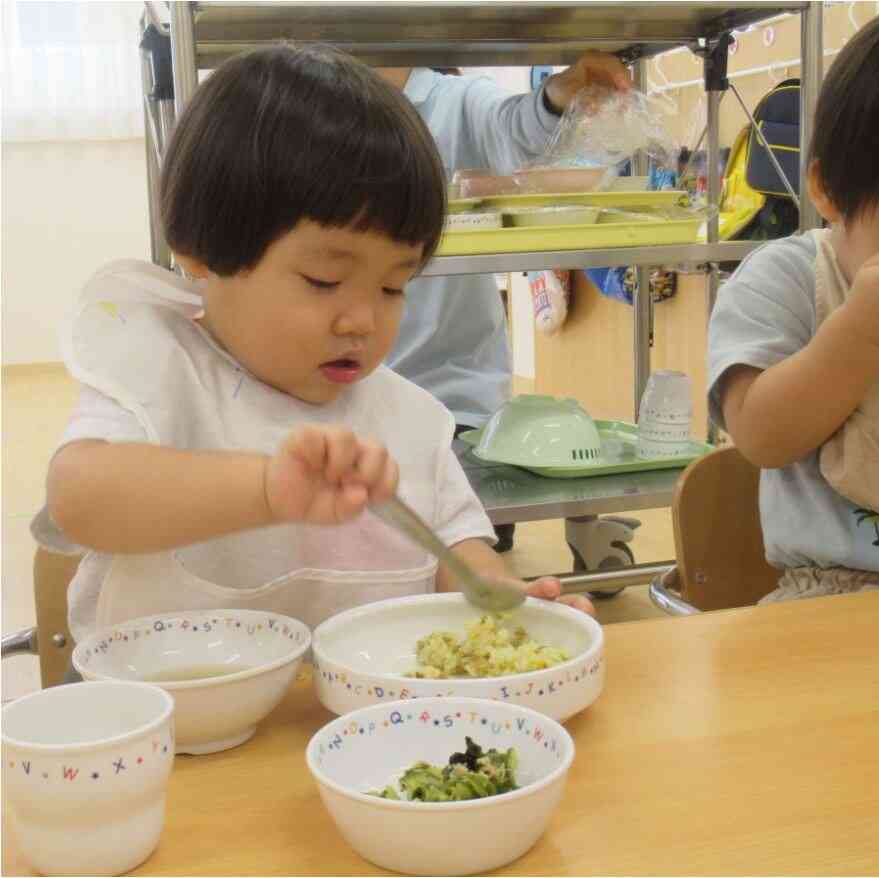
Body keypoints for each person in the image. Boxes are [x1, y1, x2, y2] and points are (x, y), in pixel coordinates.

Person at [31, 44, 594, 651]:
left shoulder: (405, 415)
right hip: (171, 722)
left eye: (392, 286)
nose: (362, 320)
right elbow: (80, 499)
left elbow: (457, 543)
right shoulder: (162, 369)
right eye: (324, 281)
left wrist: (504, 603)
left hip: (358, 728)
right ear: (201, 250)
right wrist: (266, 489)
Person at [707, 1, 879, 604]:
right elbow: (760, 436)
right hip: (835, 591)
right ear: (828, 191)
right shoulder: (786, 279)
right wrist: (860, 334)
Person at [376, 54, 631, 551]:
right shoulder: (305, 104)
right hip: (338, 401)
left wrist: (558, 97)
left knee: (458, 536)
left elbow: (514, 129)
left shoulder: (452, 101)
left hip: (453, 408)